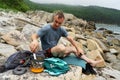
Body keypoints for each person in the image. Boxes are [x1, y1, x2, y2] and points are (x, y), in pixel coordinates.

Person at [30, 10, 102, 66]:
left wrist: (77, 49)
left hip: (56, 51)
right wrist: (35, 40)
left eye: (59, 23)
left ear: (62, 22)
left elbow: (70, 39)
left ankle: (90, 61)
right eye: (56, 22)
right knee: (61, 47)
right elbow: (34, 35)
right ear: (53, 19)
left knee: (75, 48)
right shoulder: (46, 28)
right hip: (47, 52)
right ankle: (62, 55)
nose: (57, 24)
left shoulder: (61, 29)